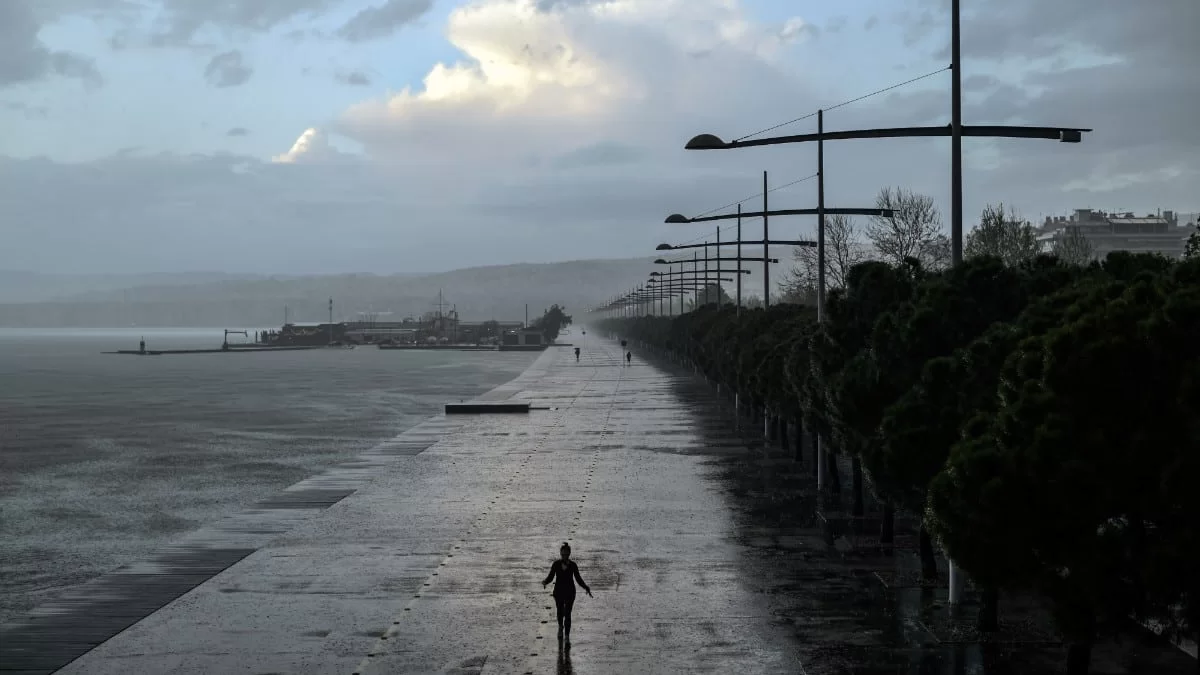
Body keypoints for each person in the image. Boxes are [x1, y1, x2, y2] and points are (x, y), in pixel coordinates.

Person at [542, 542, 591, 646]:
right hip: (558, 591)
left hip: (570, 592)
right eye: (563, 554)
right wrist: (545, 581)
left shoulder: (573, 565)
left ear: (569, 554)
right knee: (560, 612)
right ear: (560, 553)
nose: (565, 556)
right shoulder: (556, 564)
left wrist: (586, 587)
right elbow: (551, 576)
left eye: (566, 554)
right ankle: (560, 627)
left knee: (568, 614)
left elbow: (578, 579)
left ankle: (567, 636)